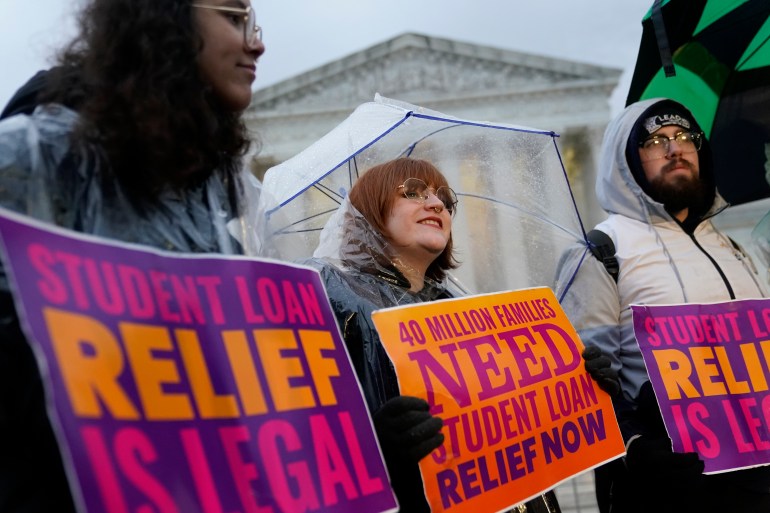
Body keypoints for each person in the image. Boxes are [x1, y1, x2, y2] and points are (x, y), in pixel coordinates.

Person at [0, 1, 266, 511]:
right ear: (162, 19)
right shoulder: (34, 159)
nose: (256, 43)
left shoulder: (208, 198)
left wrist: (368, 444)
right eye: (235, 18)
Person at [309, 158, 564, 513]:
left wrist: (580, 381)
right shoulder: (333, 297)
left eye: (444, 199)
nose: (437, 204)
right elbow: (311, 434)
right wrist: (374, 445)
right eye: (413, 192)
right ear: (369, 212)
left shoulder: (457, 306)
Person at [557, 98, 770, 513]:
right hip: (671, 485)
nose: (675, 149)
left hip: (758, 475)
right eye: (656, 141)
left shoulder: (729, 246)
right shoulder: (600, 251)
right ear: (629, 162)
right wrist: (636, 447)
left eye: (684, 137)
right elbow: (580, 381)